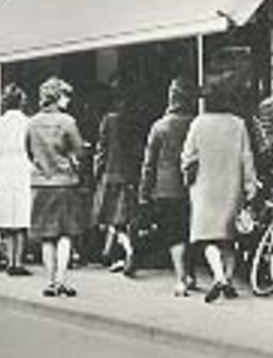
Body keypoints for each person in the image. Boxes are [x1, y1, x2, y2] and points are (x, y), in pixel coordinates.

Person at [182, 76, 257, 303]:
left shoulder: (198, 123)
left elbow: (187, 157)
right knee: (229, 237)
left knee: (207, 238)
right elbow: (247, 157)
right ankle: (229, 280)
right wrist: (250, 184)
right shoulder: (238, 124)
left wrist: (188, 176)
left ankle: (219, 278)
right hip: (231, 187)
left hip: (204, 188)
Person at [26, 78, 88, 297]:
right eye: (66, 96)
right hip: (64, 183)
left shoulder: (31, 123)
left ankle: (51, 282)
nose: (68, 100)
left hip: (41, 184)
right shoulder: (67, 121)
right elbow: (80, 150)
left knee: (47, 236)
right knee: (65, 234)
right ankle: (62, 280)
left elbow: (29, 152)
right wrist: (73, 155)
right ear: (58, 96)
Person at [140, 78, 198, 296]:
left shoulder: (160, 126)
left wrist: (144, 192)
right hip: (192, 186)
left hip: (166, 188)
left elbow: (149, 163)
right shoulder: (195, 123)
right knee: (190, 232)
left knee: (174, 235)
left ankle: (181, 279)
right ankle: (190, 274)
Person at [93, 84, 144, 275]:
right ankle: (113, 255)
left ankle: (126, 252)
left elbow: (102, 148)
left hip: (111, 175)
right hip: (129, 175)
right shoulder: (132, 119)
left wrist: (96, 171)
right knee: (123, 219)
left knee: (112, 219)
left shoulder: (108, 120)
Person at [0, 84, 33, 276]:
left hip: (3, 169)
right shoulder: (27, 123)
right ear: (21, 103)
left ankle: (9, 260)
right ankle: (18, 262)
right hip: (22, 167)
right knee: (21, 216)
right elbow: (33, 149)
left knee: (7, 217)